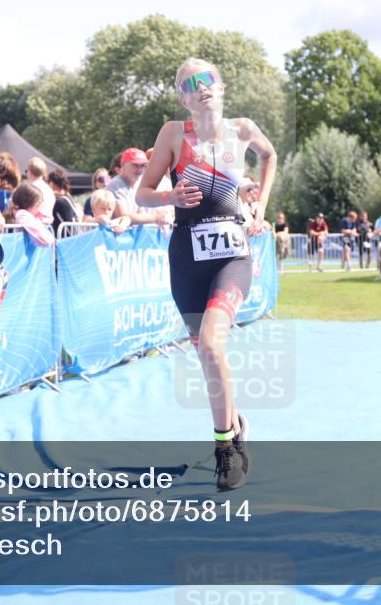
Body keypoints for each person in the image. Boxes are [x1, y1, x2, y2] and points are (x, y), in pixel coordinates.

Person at [135, 57, 276, 492]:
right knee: (207, 355)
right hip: (187, 259)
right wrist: (170, 197)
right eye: (190, 84)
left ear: (221, 85)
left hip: (232, 256)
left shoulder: (243, 129)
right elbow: (142, 193)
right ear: (183, 98)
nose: (201, 86)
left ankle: (225, 449)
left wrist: (260, 207)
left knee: (213, 345)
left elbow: (269, 156)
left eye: (207, 78)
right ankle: (235, 425)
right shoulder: (173, 134)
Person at [107, 148, 168, 227]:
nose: (139, 170)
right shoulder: (116, 184)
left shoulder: (137, 184)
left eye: (143, 166)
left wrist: (160, 221)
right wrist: (155, 218)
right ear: (123, 165)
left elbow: (141, 213)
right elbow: (123, 216)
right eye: (135, 165)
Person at [48, 169, 79, 235]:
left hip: (64, 238)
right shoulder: (68, 197)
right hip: (72, 236)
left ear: (52, 183)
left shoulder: (59, 202)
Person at [26, 157, 56, 225]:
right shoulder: (49, 189)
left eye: (27, 170)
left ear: (30, 172)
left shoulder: (29, 188)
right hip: (46, 226)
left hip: (32, 225)